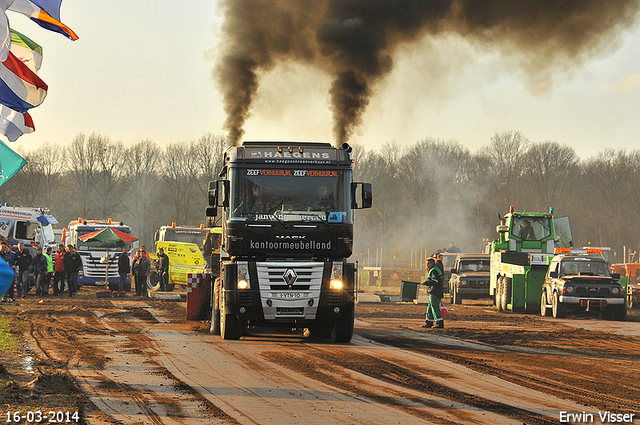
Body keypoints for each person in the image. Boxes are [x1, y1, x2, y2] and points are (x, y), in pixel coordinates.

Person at [422, 257, 444, 329]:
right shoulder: (434, 269)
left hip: (435, 291)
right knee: (430, 307)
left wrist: (426, 283)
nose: (427, 265)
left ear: (432, 263)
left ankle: (439, 323)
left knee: (435, 307)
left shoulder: (434, 270)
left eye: (428, 263)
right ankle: (429, 322)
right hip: (434, 291)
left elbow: (435, 281)